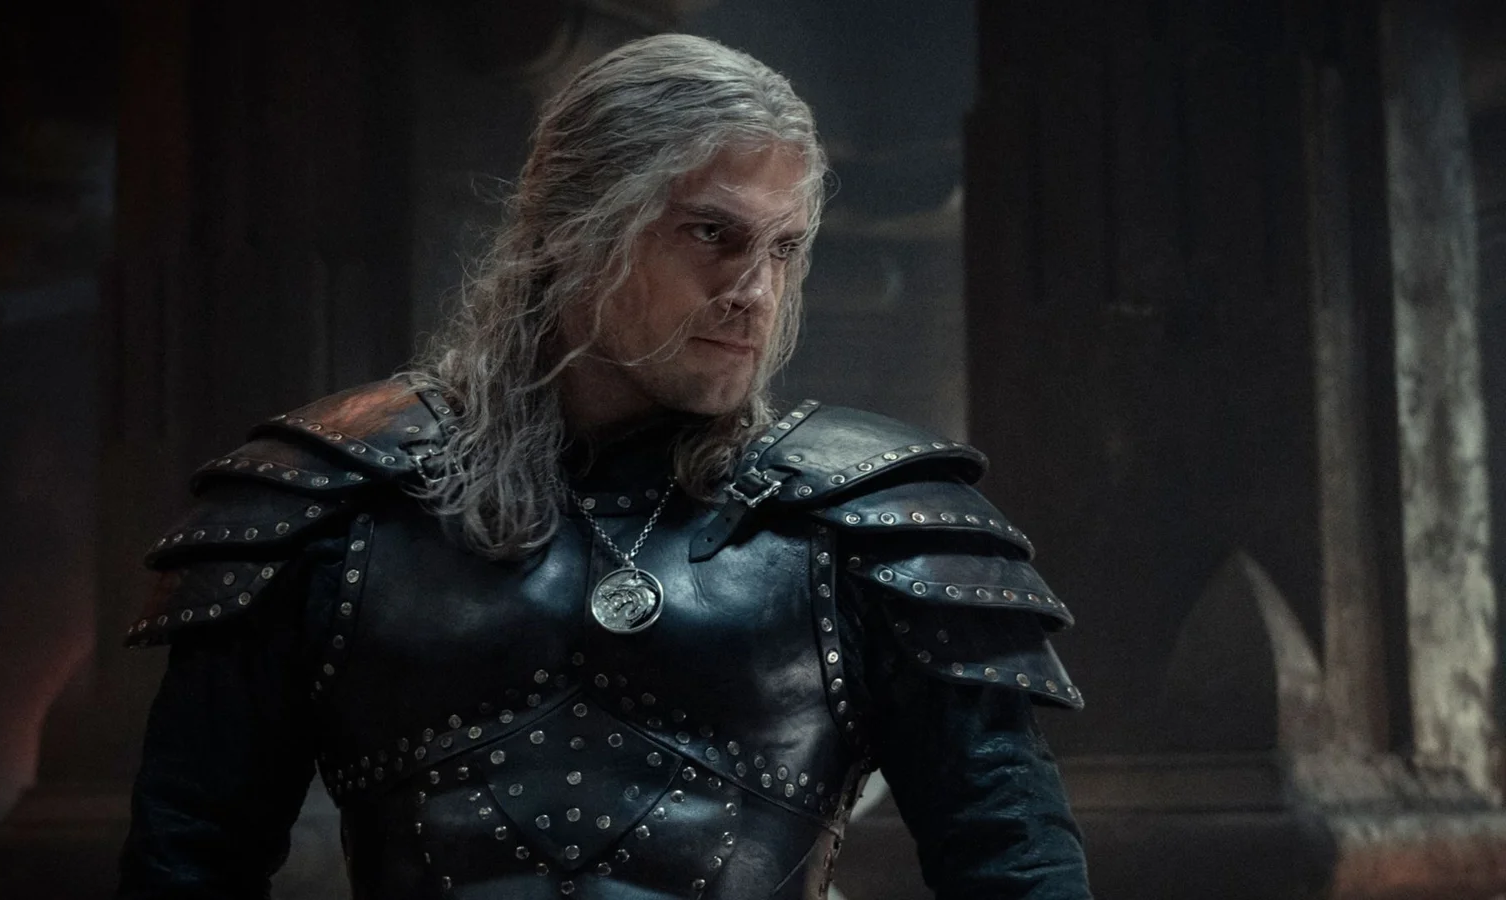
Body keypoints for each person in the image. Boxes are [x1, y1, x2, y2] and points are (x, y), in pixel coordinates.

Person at [117, 33, 1091, 900]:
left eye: (784, 248)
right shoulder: (329, 499)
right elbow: (188, 861)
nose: (755, 291)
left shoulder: (870, 519)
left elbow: (1013, 864)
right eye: (711, 234)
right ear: (570, 226)